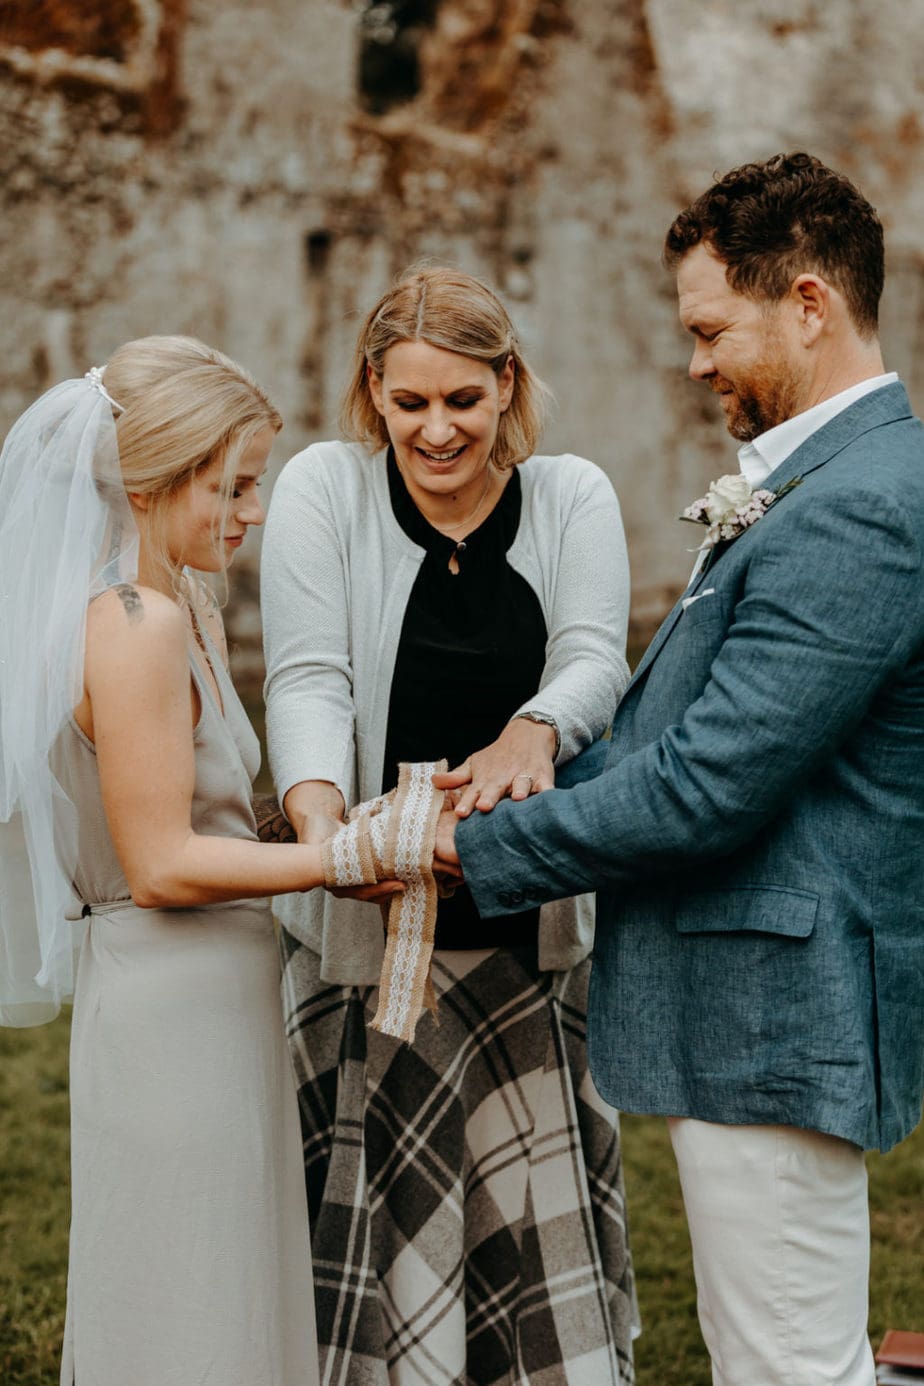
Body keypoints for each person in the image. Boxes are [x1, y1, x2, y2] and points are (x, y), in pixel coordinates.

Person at [433, 152, 924, 1386]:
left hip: (778, 1006)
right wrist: (536, 765)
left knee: (791, 1367)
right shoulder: (817, 483)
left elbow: (712, 785)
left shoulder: (864, 505)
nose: (695, 361)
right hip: (753, 1006)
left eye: (712, 329)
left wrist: (466, 849)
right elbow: (685, 732)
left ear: (808, 304)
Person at [260, 266, 638, 1385]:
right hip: (374, 949)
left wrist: (536, 732)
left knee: (526, 1272)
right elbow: (310, 677)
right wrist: (327, 833)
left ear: (506, 385)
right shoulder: (324, 488)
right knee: (387, 1262)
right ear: (373, 390)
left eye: (463, 401)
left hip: (526, 951)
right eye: (410, 401)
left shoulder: (573, 496)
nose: (437, 430)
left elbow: (592, 654)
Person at [0, 336, 324, 1385]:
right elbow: (164, 866)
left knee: (222, 1288)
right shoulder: (131, 626)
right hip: (173, 1009)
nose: (253, 509)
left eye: (256, 483)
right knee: (188, 1305)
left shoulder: (172, 609)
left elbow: (206, 823)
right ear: (153, 482)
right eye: (231, 484)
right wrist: (341, 857)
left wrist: (306, 823)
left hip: (211, 1001)